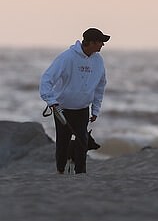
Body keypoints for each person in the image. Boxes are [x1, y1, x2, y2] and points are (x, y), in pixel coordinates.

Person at [40, 28, 109, 174]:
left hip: (83, 109)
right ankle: (60, 171)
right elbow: (47, 79)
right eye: (100, 42)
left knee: (82, 142)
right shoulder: (67, 57)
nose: (103, 45)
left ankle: (80, 174)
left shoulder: (98, 60)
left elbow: (100, 85)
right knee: (63, 142)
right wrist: (51, 101)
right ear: (91, 42)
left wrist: (95, 109)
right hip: (62, 109)